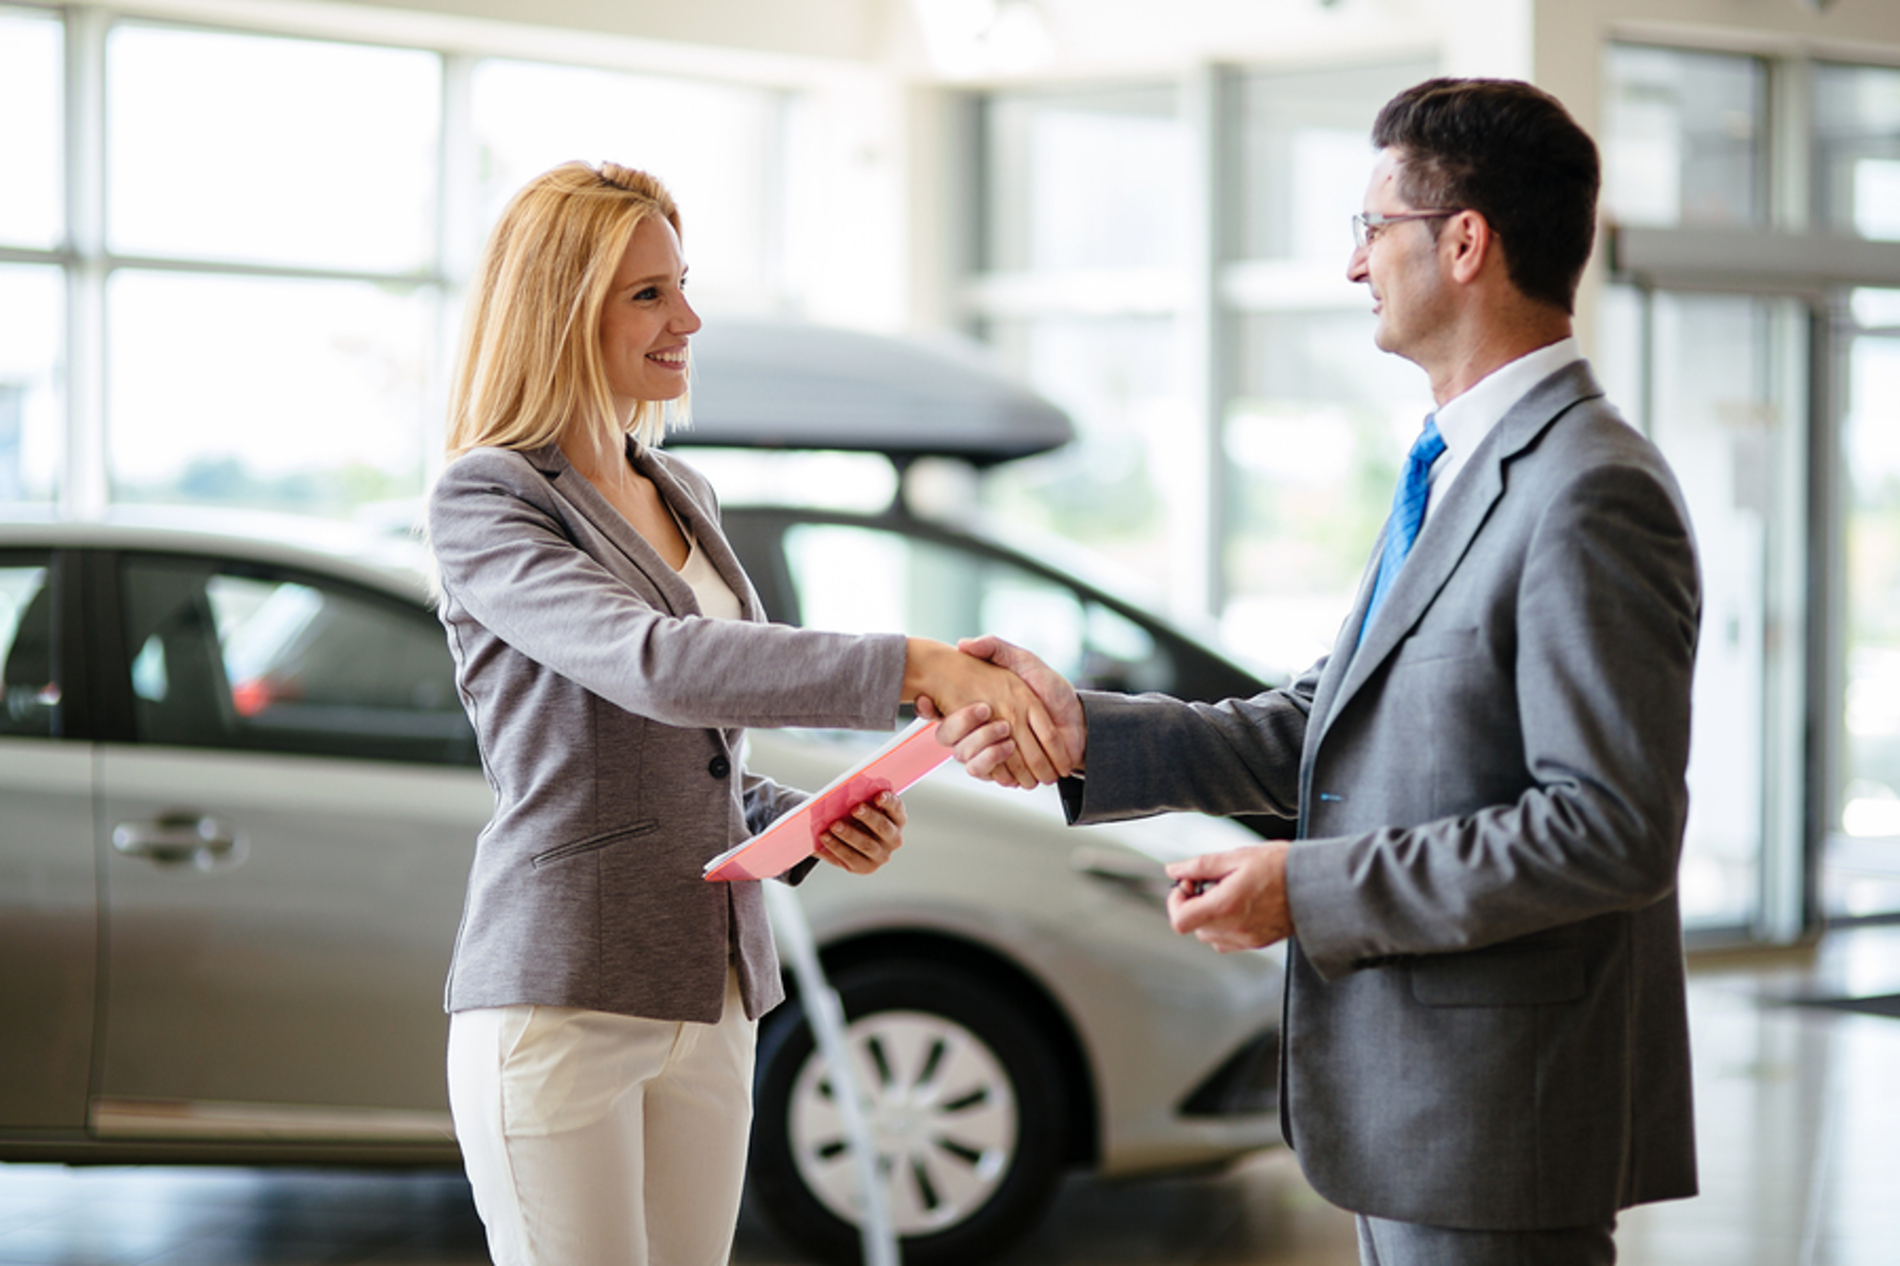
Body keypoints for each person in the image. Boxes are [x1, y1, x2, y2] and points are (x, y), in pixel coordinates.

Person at [929, 78, 1701, 1265]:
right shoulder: (1453, 465)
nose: (1355, 269)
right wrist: (1081, 729)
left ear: (1462, 242)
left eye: (1369, 229)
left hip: (1497, 1120)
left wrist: (1308, 891)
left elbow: (1605, 829)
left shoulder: (1589, 491)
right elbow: (1324, 723)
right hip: (1418, 1111)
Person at [426, 160, 1065, 1266]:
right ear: (559, 310)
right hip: (564, 986)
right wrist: (908, 664)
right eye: (648, 295)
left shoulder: (681, 490)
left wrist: (806, 819)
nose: (689, 318)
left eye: (682, 284)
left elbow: (680, 752)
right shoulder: (489, 497)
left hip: (710, 987)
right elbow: (655, 665)